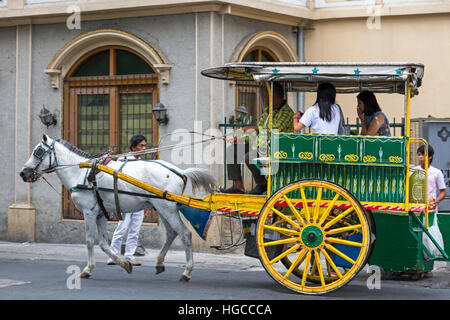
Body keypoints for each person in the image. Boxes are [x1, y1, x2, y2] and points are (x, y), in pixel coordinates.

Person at [220, 82, 294, 195]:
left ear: (279, 96)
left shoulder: (287, 112)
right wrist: (242, 139)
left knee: (250, 156)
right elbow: (258, 134)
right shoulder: (267, 112)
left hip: (278, 150)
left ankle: (262, 184)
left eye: (269, 96)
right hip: (262, 147)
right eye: (266, 96)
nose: (267, 99)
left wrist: (253, 127)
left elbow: (273, 129)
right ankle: (238, 186)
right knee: (232, 150)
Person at [107, 135, 148, 266]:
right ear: (133, 147)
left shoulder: (142, 163)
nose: (144, 148)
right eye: (141, 146)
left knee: (135, 230)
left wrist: (147, 204)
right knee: (122, 228)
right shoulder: (123, 160)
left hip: (139, 200)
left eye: (145, 146)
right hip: (125, 200)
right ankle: (113, 255)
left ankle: (129, 256)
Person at [414, 145, 446, 278]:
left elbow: (443, 192)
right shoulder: (413, 171)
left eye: (423, 155)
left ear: (430, 157)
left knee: (428, 238)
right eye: (419, 154)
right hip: (415, 209)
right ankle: (417, 264)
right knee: (417, 237)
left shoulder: (437, 172)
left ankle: (428, 267)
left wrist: (436, 201)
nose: (420, 157)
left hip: (430, 211)